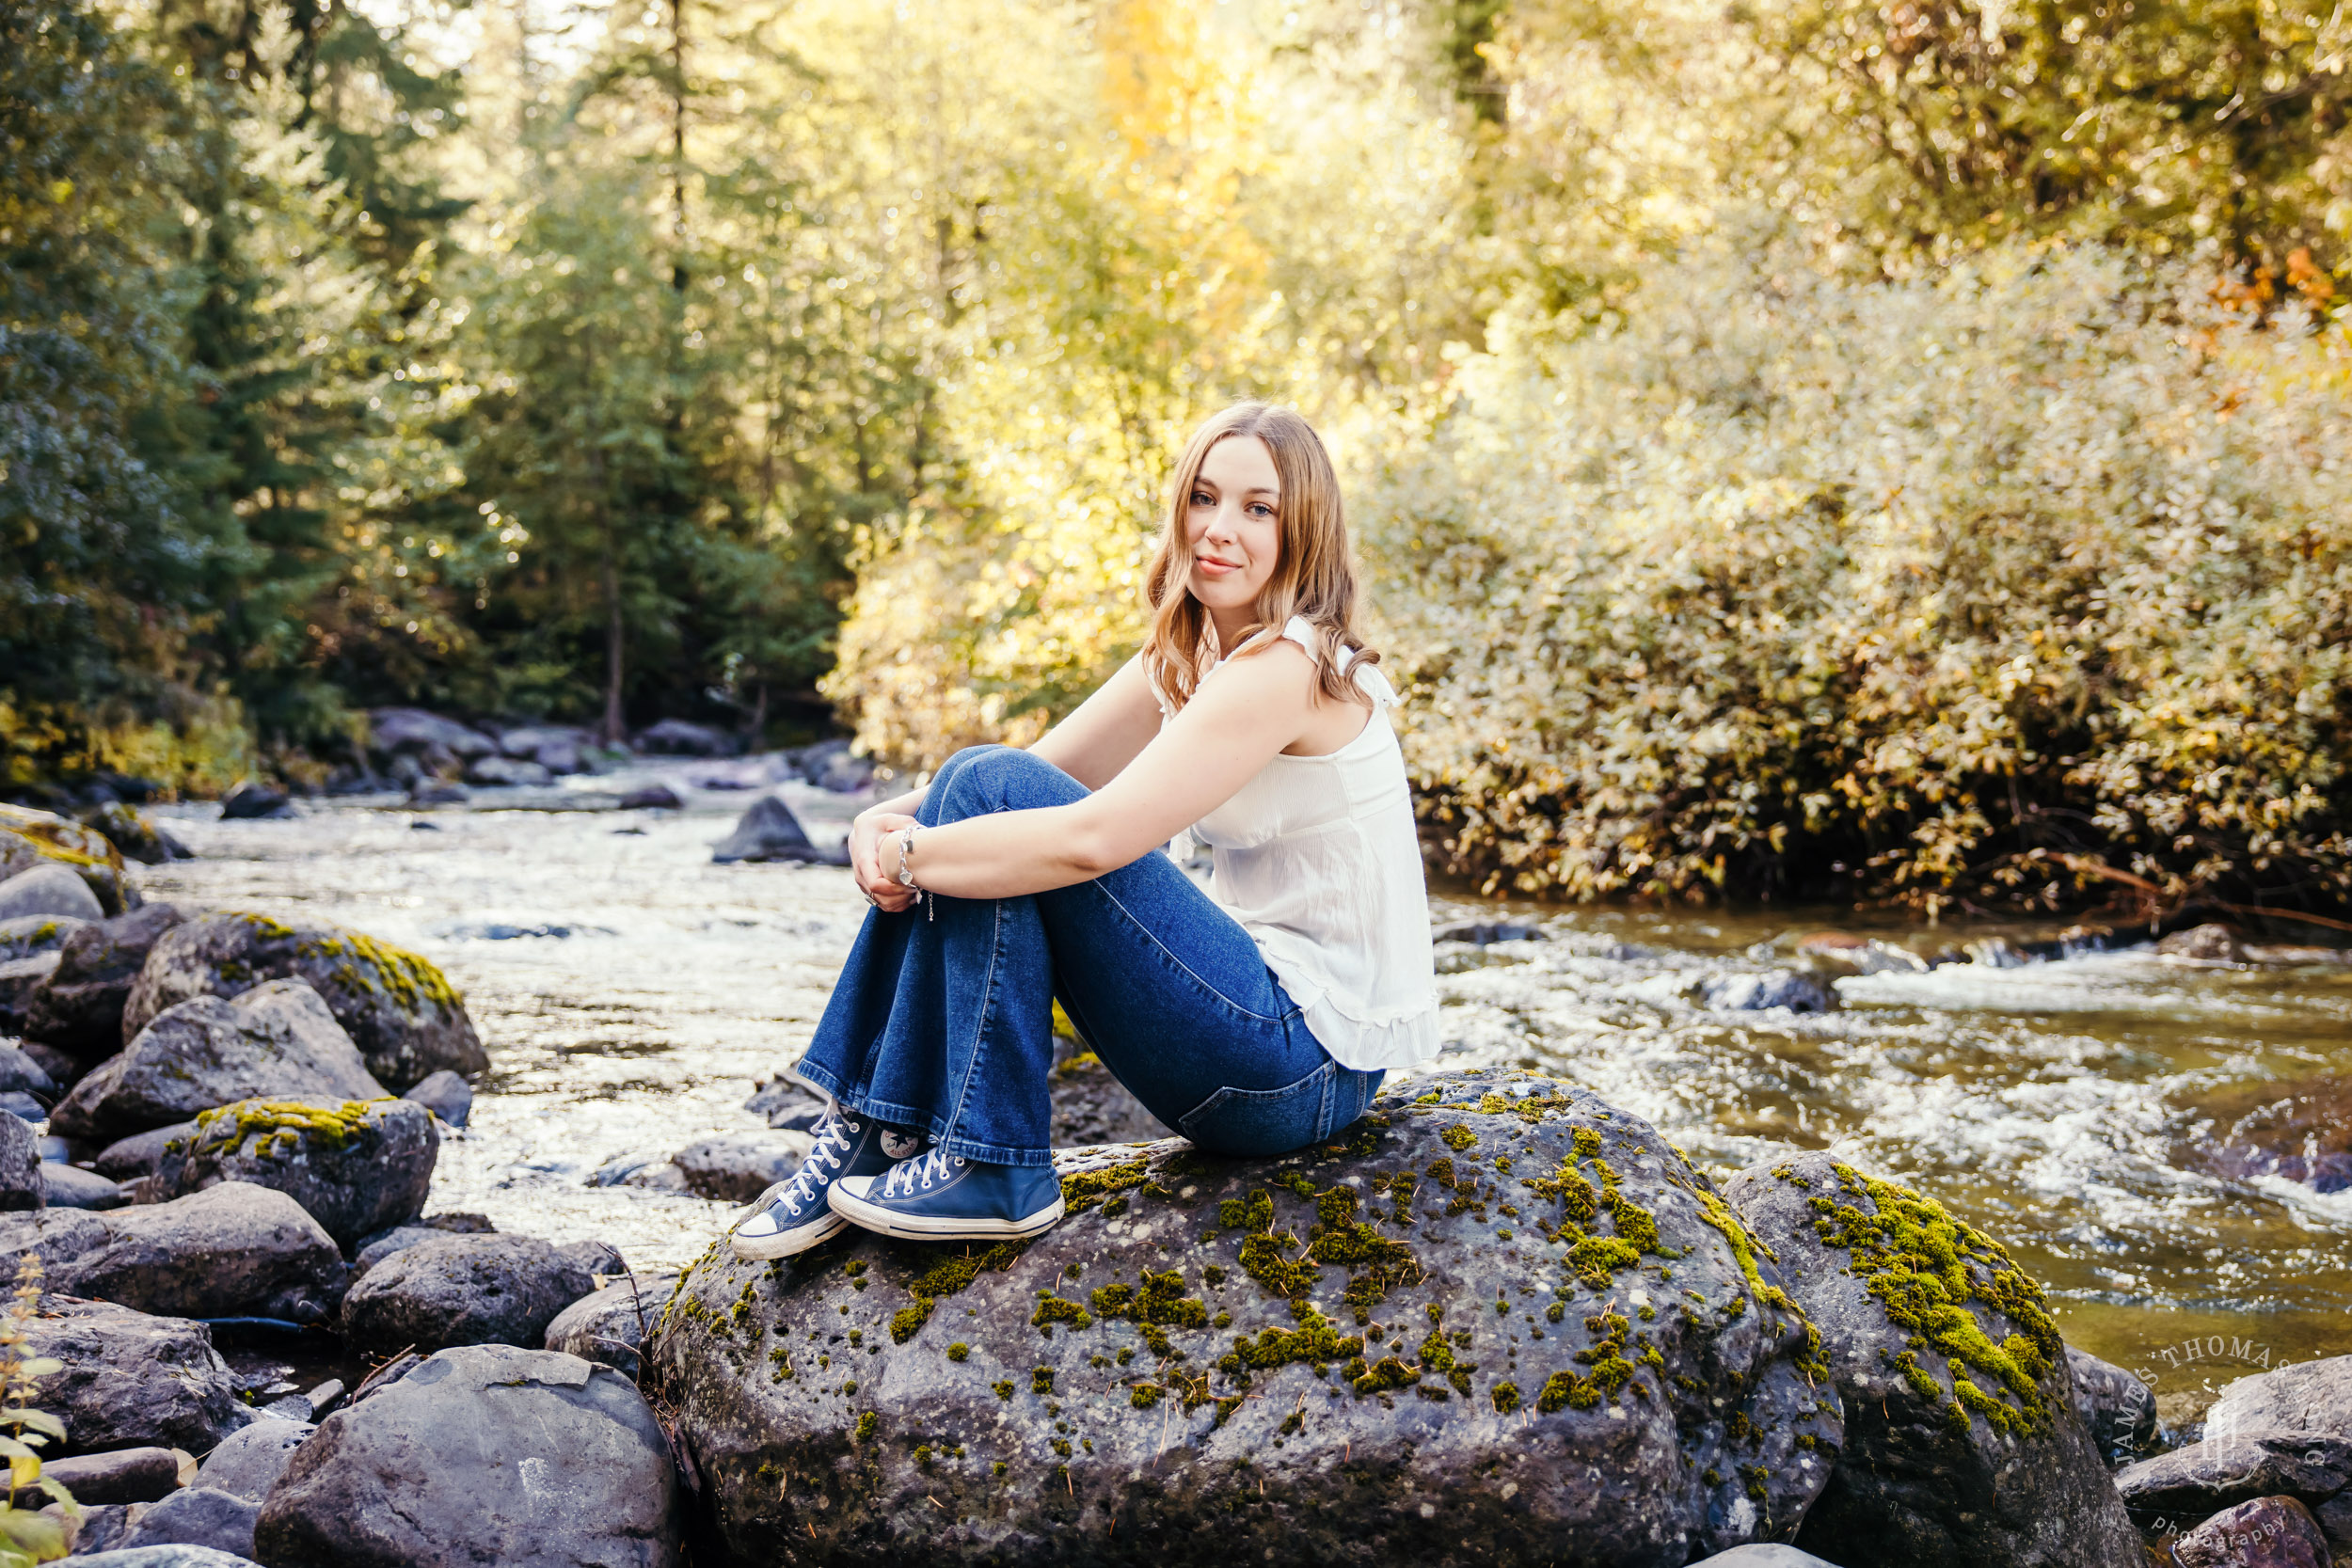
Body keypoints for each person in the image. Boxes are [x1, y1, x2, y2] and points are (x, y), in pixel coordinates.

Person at [727, 402, 1438, 1260]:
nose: (1219, 528)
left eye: (1260, 509)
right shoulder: (1193, 653)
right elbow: (1034, 764)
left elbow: (1089, 841)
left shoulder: (1289, 667)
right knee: (972, 780)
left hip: (1301, 1067)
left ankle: (968, 1155)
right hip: (1247, 1037)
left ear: (1304, 531)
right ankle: (879, 1127)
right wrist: (887, 816)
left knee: (988, 789)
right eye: (1204, 497)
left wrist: (911, 858)